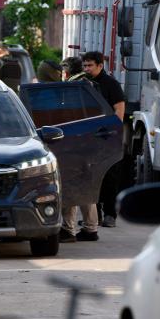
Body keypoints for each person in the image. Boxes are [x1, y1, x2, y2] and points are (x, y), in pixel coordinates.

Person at [58, 55, 99, 243]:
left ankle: (68, 229)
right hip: (91, 140)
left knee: (70, 185)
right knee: (86, 184)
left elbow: (66, 115)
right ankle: (91, 228)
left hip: (74, 142)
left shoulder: (72, 87)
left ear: (66, 71)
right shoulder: (90, 84)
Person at [82, 51, 125, 228]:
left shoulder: (111, 84)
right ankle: (94, 216)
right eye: (84, 65)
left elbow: (119, 109)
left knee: (108, 176)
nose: (86, 69)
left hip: (107, 136)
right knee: (90, 177)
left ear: (100, 66)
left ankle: (110, 215)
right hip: (88, 136)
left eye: (90, 65)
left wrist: (111, 132)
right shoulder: (83, 84)